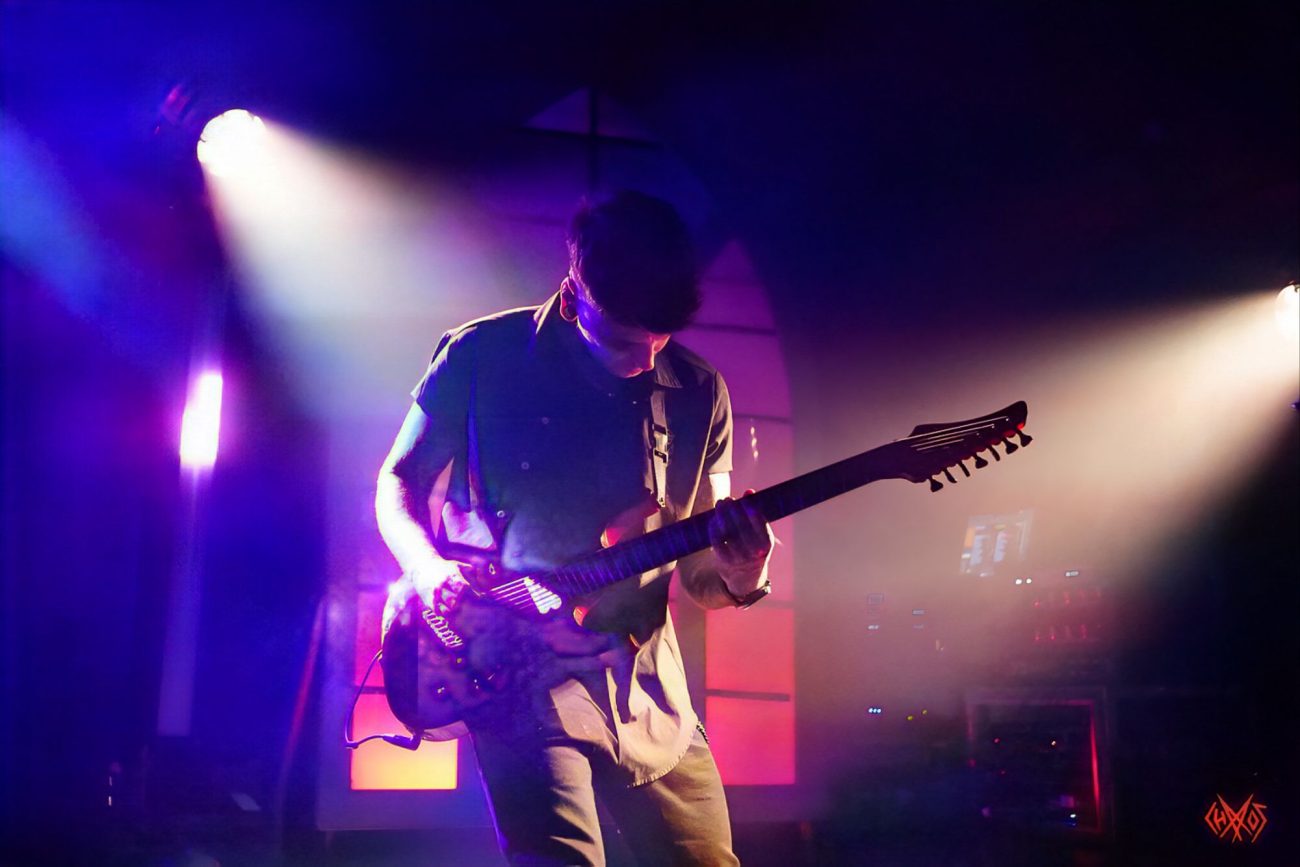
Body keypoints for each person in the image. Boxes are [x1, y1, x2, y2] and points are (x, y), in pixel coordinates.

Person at [375, 190, 773, 866]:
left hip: (647, 682)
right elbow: (398, 481)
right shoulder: (480, 355)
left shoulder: (701, 392)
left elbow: (703, 580)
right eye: (624, 339)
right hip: (517, 672)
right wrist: (426, 566)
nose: (645, 359)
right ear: (572, 297)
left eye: (660, 338)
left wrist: (744, 569)